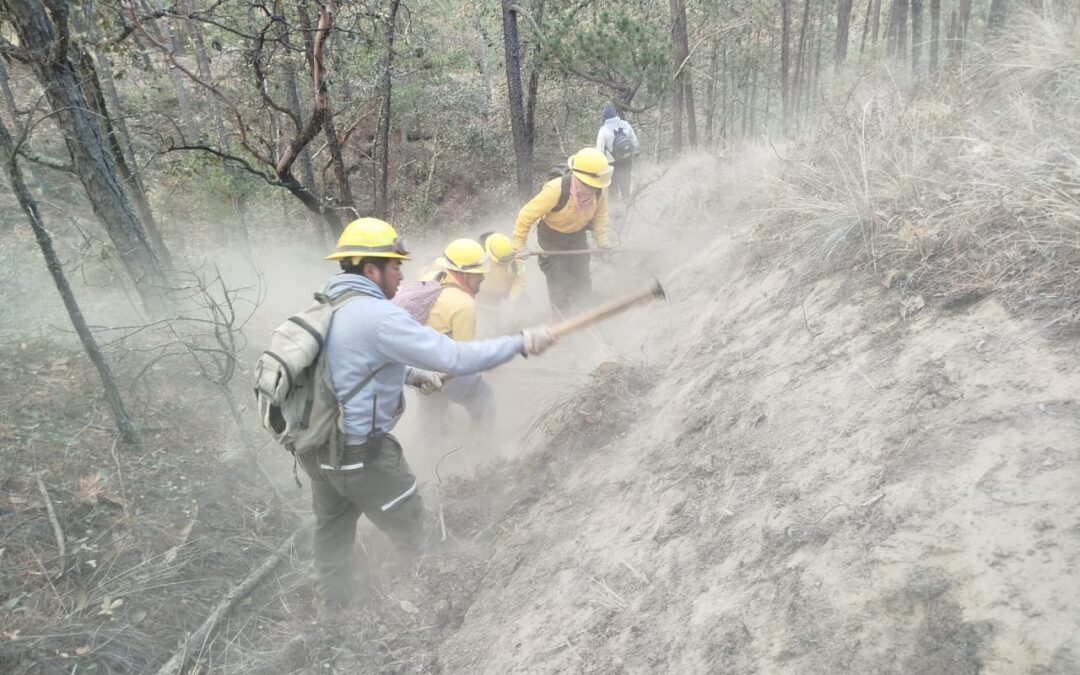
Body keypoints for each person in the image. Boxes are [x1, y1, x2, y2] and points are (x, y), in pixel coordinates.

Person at [302, 218, 556, 608]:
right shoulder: (377, 316)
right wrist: (521, 342)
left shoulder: (328, 306)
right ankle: (432, 597)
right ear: (371, 269)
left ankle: (333, 615)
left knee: (332, 531)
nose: (401, 275)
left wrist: (415, 375)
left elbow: (350, 367)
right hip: (361, 455)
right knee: (413, 524)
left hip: (320, 451)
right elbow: (456, 356)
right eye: (394, 266)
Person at [513, 147, 611, 314]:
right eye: (589, 185)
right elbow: (526, 215)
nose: (593, 189)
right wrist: (519, 246)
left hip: (577, 237)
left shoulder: (599, 191)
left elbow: (600, 217)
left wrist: (603, 242)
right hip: (552, 240)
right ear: (578, 178)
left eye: (595, 186)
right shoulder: (555, 190)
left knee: (582, 280)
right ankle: (563, 321)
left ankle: (586, 315)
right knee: (559, 284)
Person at [417, 239, 496, 438]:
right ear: (462, 273)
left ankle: (430, 448)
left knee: (432, 407)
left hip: (416, 368)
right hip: (442, 366)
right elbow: (462, 357)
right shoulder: (463, 304)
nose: (483, 277)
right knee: (484, 398)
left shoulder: (430, 276)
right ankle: (479, 446)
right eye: (478, 273)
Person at [596, 103, 639, 200]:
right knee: (626, 188)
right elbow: (635, 143)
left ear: (604, 117)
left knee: (613, 191)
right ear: (615, 115)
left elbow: (599, 152)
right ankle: (629, 208)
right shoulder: (626, 124)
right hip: (626, 161)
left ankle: (616, 212)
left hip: (611, 164)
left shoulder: (603, 130)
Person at [477, 232, 525, 306]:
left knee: (524, 304)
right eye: (503, 260)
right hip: (485, 295)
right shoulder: (479, 258)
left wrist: (511, 301)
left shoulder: (516, 260)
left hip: (507, 292)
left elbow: (519, 281)